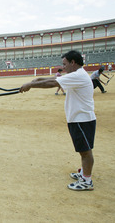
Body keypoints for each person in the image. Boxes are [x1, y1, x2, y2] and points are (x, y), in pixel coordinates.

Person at [20, 50, 96, 191]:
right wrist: (36, 81)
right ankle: (84, 174)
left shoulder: (78, 75)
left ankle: (87, 180)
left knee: (85, 151)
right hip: (80, 119)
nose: (63, 67)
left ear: (73, 63)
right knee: (83, 150)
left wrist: (30, 85)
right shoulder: (77, 75)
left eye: (65, 64)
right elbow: (53, 79)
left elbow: (53, 82)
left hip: (81, 120)